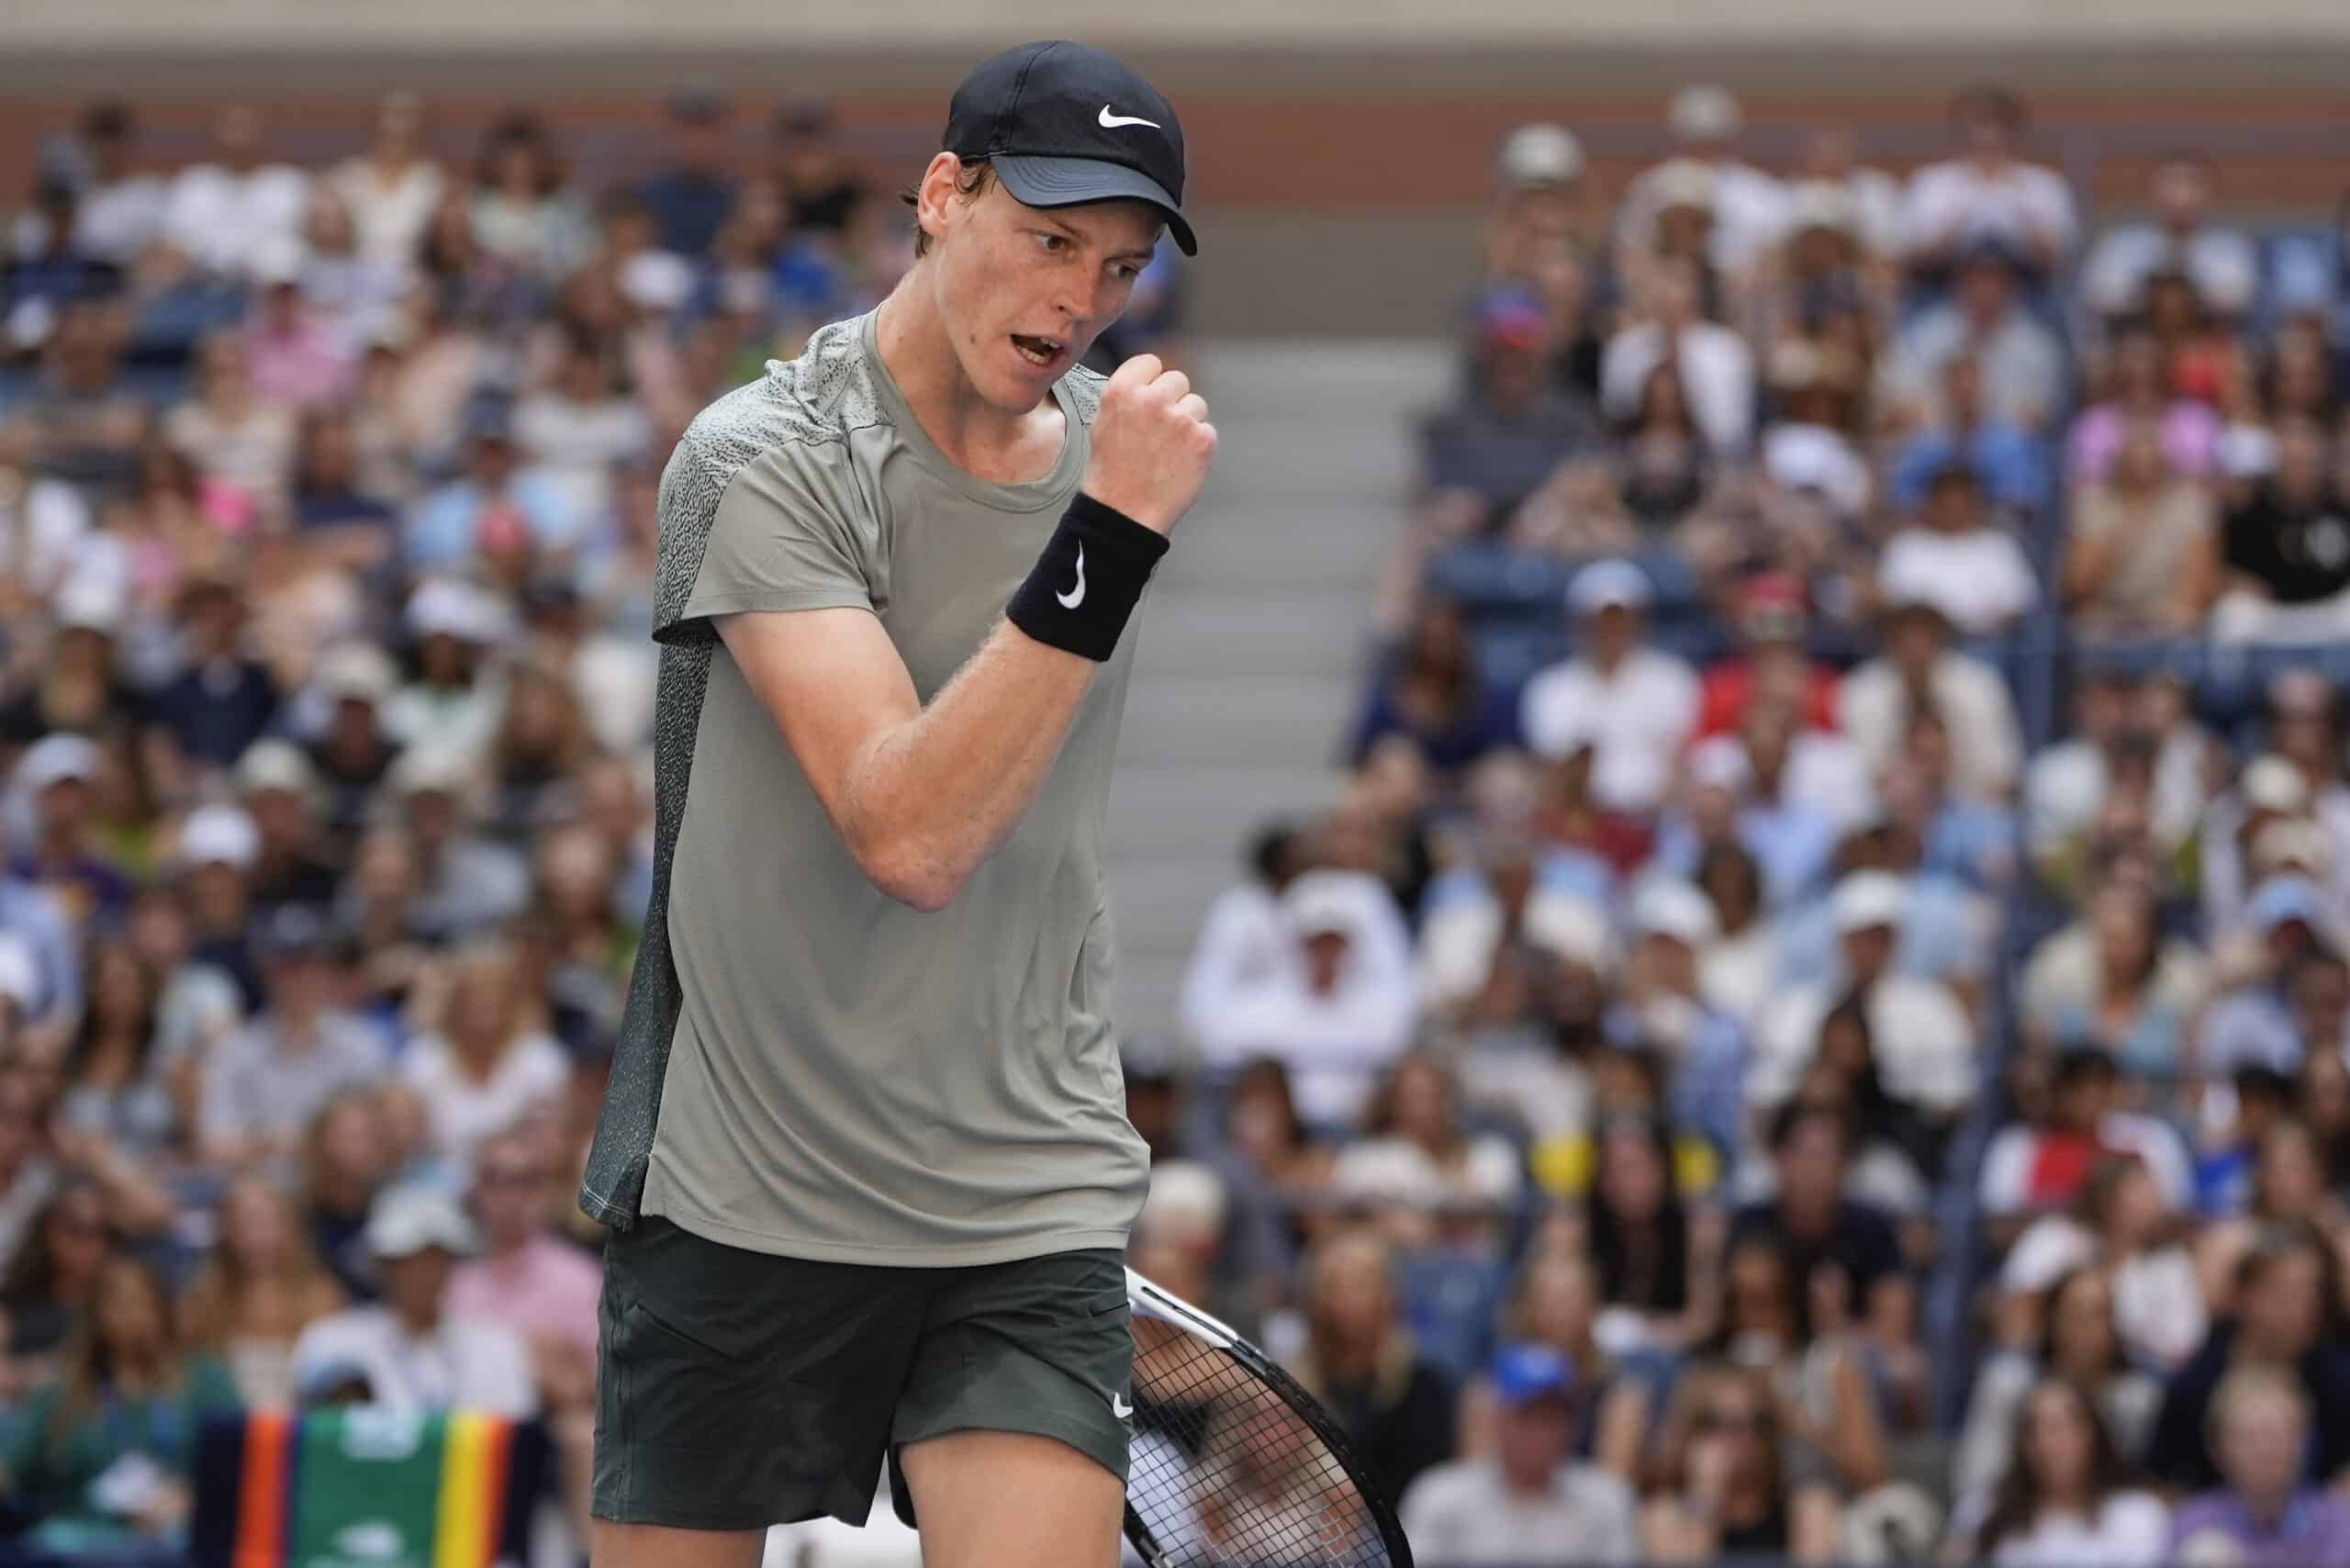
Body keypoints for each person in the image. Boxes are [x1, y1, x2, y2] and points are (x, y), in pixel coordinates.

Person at [577, 41, 1210, 1568]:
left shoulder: (1099, 477)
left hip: (1020, 1185)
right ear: (943, 195)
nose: (1079, 296)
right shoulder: (761, 458)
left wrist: (1101, 517)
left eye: (1118, 266)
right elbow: (907, 829)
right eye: (1049, 236)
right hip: (744, 1171)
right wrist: (1109, 534)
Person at [0, 1255, 241, 1554]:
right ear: (95, 1314)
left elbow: (240, 1459)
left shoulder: (204, 1378)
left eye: (141, 1302)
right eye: (116, 1303)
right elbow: (11, 1464)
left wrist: (194, 1495)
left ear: (162, 1309)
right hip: (81, 1537)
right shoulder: (61, 1390)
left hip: (178, 1535)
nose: (130, 1314)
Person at [289, 1182, 536, 1416]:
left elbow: (512, 1439)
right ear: (383, 1264)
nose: (423, 1272)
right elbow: (319, 1436)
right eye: (407, 1260)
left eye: (436, 1258)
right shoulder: (332, 1342)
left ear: (451, 1263)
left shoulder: (495, 1347)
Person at [1398, 1342, 1640, 1565]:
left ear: (1572, 1426)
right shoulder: (1439, 1496)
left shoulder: (1606, 1500)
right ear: (1498, 1420)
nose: (1539, 1431)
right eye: (1526, 1416)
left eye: (1551, 1417)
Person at [1957, 1375, 2169, 1566]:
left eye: (2058, 1428)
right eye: (2032, 1430)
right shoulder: (1983, 1509)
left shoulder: (2138, 1514)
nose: (2045, 1444)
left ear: (2092, 1436)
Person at [177, 1174, 347, 1406]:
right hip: (228, 1428)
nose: (257, 1236)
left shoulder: (322, 1296)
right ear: (227, 1230)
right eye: (245, 1223)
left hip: (300, 1428)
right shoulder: (202, 1302)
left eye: (267, 1221)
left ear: (289, 1226)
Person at [2168, 1366, 2350, 1568]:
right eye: (2249, 1436)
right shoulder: (2193, 1525)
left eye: (2280, 1433)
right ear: (2217, 1449)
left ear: (2305, 1441)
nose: (2266, 1448)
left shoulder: (2338, 1522)